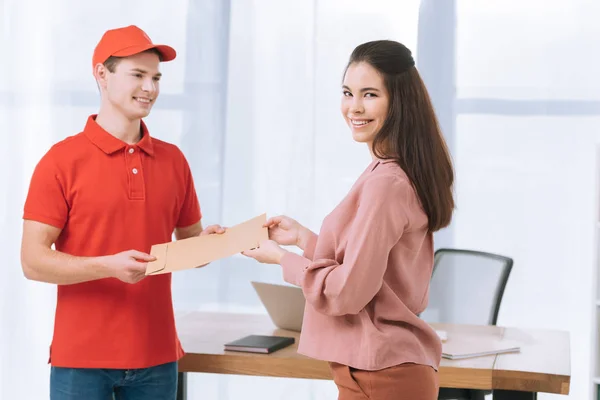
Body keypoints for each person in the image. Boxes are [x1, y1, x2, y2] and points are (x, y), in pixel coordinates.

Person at [243, 40, 454, 400]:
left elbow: (347, 292)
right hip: (377, 372)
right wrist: (303, 239)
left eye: (369, 94)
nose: (354, 107)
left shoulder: (386, 183)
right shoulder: (391, 172)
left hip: (383, 375)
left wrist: (282, 259)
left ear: (398, 101)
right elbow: (370, 266)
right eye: (347, 92)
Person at [20, 25, 223, 400]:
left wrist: (211, 245)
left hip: (158, 358)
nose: (151, 88)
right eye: (138, 75)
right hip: (81, 361)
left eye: (156, 78)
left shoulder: (174, 160)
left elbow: (190, 246)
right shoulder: (60, 161)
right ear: (101, 74)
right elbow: (32, 262)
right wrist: (107, 265)